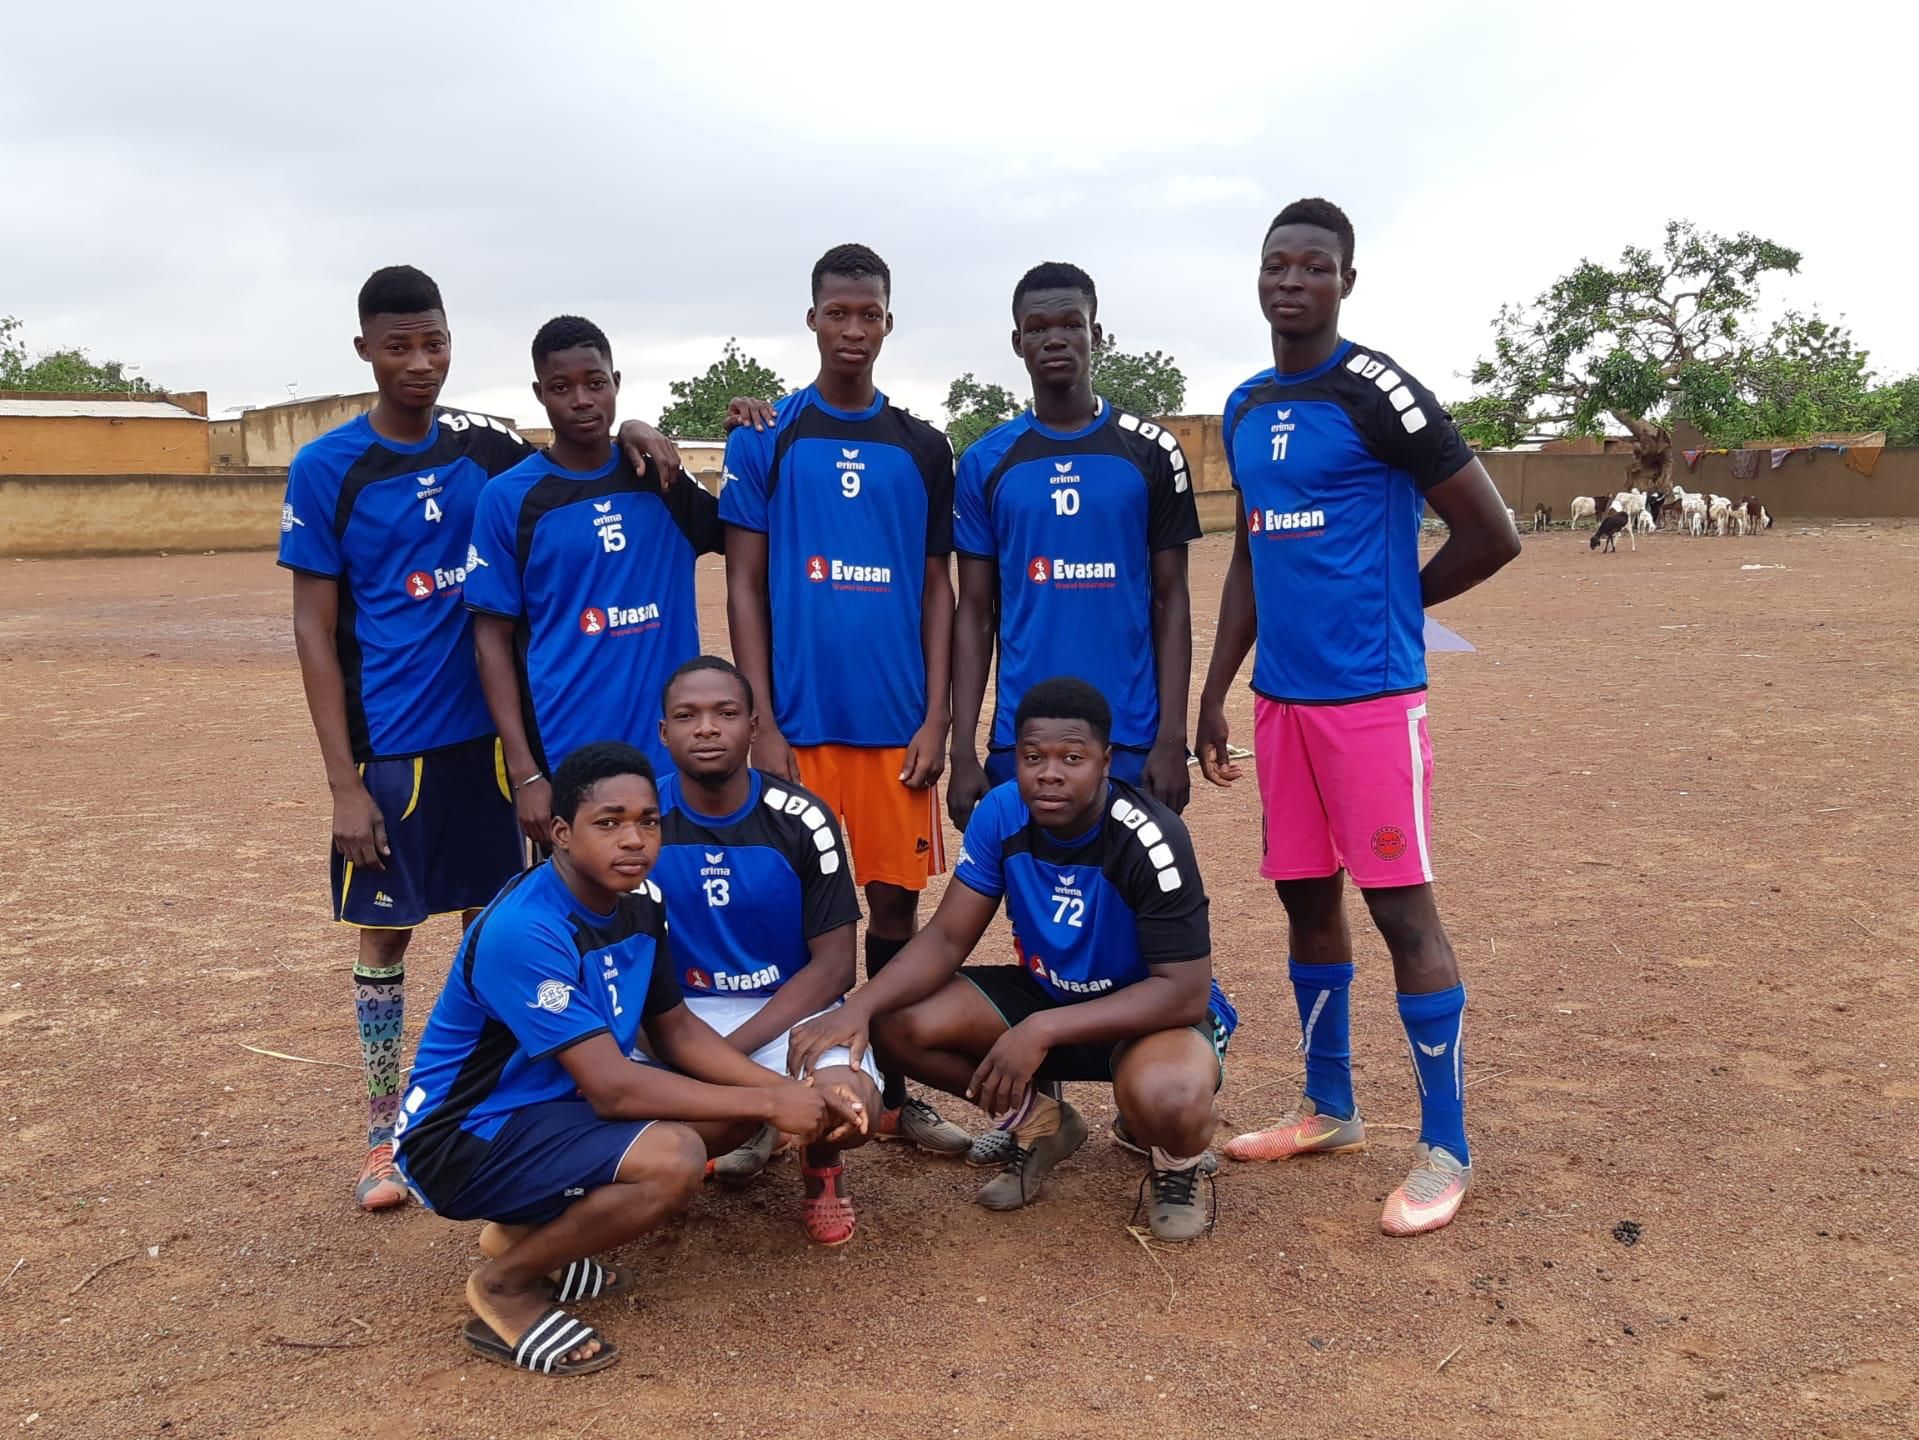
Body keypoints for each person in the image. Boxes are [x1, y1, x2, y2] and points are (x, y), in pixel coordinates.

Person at [278, 266, 684, 1211]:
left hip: (498, 748)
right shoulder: (328, 468)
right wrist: (344, 783)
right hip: (397, 748)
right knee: (385, 940)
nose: (420, 363)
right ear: (365, 350)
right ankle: (386, 1135)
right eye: (399, 345)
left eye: (435, 343)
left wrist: (633, 427)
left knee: (492, 937)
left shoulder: (484, 450)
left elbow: (569, 449)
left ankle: (491, 1110)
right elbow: (310, 629)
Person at [1194, 197, 1521, 1236]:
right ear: (1257, 278)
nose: (1290, 281)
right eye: (1274, 264)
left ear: (1345, 280)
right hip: (1281, 705)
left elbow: (1491, 533)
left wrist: (1396, 605)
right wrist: (1215, 686)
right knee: (1303, 900)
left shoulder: (1376, 390)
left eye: (1312, 266)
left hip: (1372, 705)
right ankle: (1327, 1107)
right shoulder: (1245, 406)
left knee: (1400, 913)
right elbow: (1249, 553)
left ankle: (1444, 1148)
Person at [392, 742, 863, 1377]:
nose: (634, 839)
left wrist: (787, 1089)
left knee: (730, 1118)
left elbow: (676, 1033)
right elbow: (613, 1090)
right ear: (561, 833)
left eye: (647, 821)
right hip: (464, 1137)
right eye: (608, 822)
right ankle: (505, 1284)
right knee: (675, 1158)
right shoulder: (527, 929)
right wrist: (771, 1100)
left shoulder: (640, 902)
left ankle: (523, 1233)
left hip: (553, 1111)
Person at [788, 678, 1236, 1242]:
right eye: (1032, 757)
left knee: (1166, 1098)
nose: (1049, 773)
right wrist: (861, 1005)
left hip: (1148, 1011)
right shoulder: (1002, 812)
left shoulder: (1152, 838)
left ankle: (1176, 1165)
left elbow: (1183, 991)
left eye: (1071, 758)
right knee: (895, 1023)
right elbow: (948, 937)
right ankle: (1042, 1125)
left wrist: (1042, 1028)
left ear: (1105, 762)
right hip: (1051, 991)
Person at [719, 242, 971, 1153]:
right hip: (799, 727)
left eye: (869, 315)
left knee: (894, 912)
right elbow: (744, 584)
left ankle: (899, 1095)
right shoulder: (766, 438)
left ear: (888, 323)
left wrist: (936, 715)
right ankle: (767, 1101)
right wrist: (763, 722)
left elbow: (936, 588)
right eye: (838, 313)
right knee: (791, 916)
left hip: (894, 726)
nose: (853, 329)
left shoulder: (922, 446)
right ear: (813, 318)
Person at [948, 261, 1200, 829]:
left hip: (1131, 737)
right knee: (1036, 911)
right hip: (1025, 743)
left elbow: (1171, 600)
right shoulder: (988, 460)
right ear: (1017, 342)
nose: (1054, 338)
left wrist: (1171, 737)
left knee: (1138, 908)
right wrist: (962, 748)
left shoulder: (1151, 452)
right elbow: (975, 612)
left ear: (1097, 334)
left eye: (1071, 324)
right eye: (1037, 328)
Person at [648, 655, 883, 1244]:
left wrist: (733, 1059)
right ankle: (749, 1125)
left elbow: (834, 965)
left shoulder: (803, 819)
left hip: (788, 1010)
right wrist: (703, 1061)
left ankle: (820, 1165)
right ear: (663, 732)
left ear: (754, 726)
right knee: (649, 1135)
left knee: (850, 1111)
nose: (706, 728)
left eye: (725, 713)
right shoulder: (640, 820)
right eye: (687, 715)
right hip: (678, 1014)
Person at [466, 315, 722, 845]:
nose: (581, 399)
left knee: (680, 915)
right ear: (540, 393)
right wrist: (526, 773)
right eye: (561, 388)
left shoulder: (662, 481)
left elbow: (750, 540)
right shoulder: (509, 499)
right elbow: (490, 641)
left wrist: (740, 424)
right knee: (587, 918)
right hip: (567, 758)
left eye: (595, 383)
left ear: (616, 384)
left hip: (674, 761)